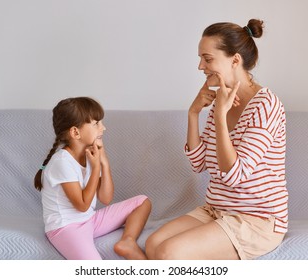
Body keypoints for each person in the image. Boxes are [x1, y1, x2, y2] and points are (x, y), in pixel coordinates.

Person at [145, 19, 287, 260]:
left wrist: (221, 115)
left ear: (234, 60)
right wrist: (193, 113)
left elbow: (234, 175)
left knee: (168, 253)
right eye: (201, 58)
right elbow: (198, 164)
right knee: (153, 244)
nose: (201, 66)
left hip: (256, 220)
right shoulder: (219, 103)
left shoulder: (266, 106)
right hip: (217, 210)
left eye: (208, 58)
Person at [34, 97, 151, 260]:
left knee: (142, 201)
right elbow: (82, 205)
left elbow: (106, 197)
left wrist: (104, 164)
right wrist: (95, 168)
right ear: (75, 132)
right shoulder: (62, 162)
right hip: (66, 228)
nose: (103, 127)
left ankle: (127, 242)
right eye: (96, 123)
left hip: (90, 220)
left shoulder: (91, 154)